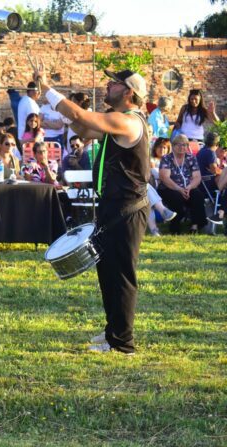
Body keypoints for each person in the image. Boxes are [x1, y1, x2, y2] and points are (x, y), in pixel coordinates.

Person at [34, 64, 150, 355]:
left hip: (127, 210)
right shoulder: (117, 121)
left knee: (121, 276)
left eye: (114, 83)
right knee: (107, 272)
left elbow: (81, 116)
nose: (108, 86)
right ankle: (114, 331)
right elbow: (83, 127)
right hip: (113, 208)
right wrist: (66, 113)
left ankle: (123, 343)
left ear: (129, 92)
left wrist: (47, 90)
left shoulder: (129, 121)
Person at [157, 133, 207, 233]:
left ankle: (195, 226)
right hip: (169, 188)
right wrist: (179, 189)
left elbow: (197, 177)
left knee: (197, 196)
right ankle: (175, 227)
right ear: (173, 146)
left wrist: (189, 187)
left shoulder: (191, 158)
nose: (181, 147)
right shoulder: (167, 158)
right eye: (178, 144)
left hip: (188, 187)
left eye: (184, 145)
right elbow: (164, 178)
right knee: (177, 198)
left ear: (187, 146)